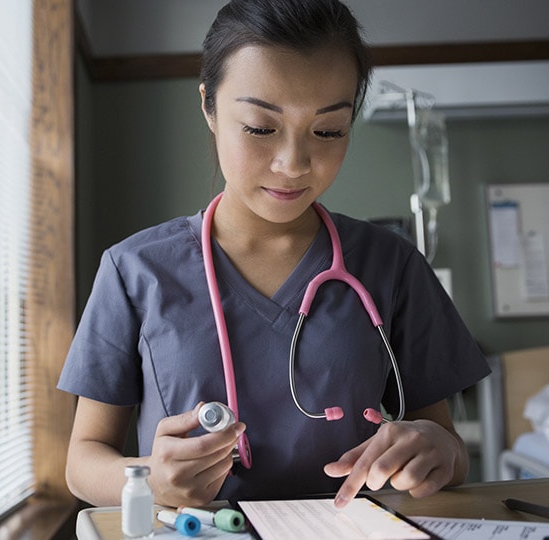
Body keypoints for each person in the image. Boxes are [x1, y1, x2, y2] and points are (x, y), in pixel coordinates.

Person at [58, 0, 490, 509]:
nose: (293, 164)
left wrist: (438, 449)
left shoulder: (390, 266)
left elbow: (450, 450)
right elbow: (83, 463)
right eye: (261, 128)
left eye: (328, 131)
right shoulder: (135, 270)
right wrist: (150, 481)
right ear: (209, 108)